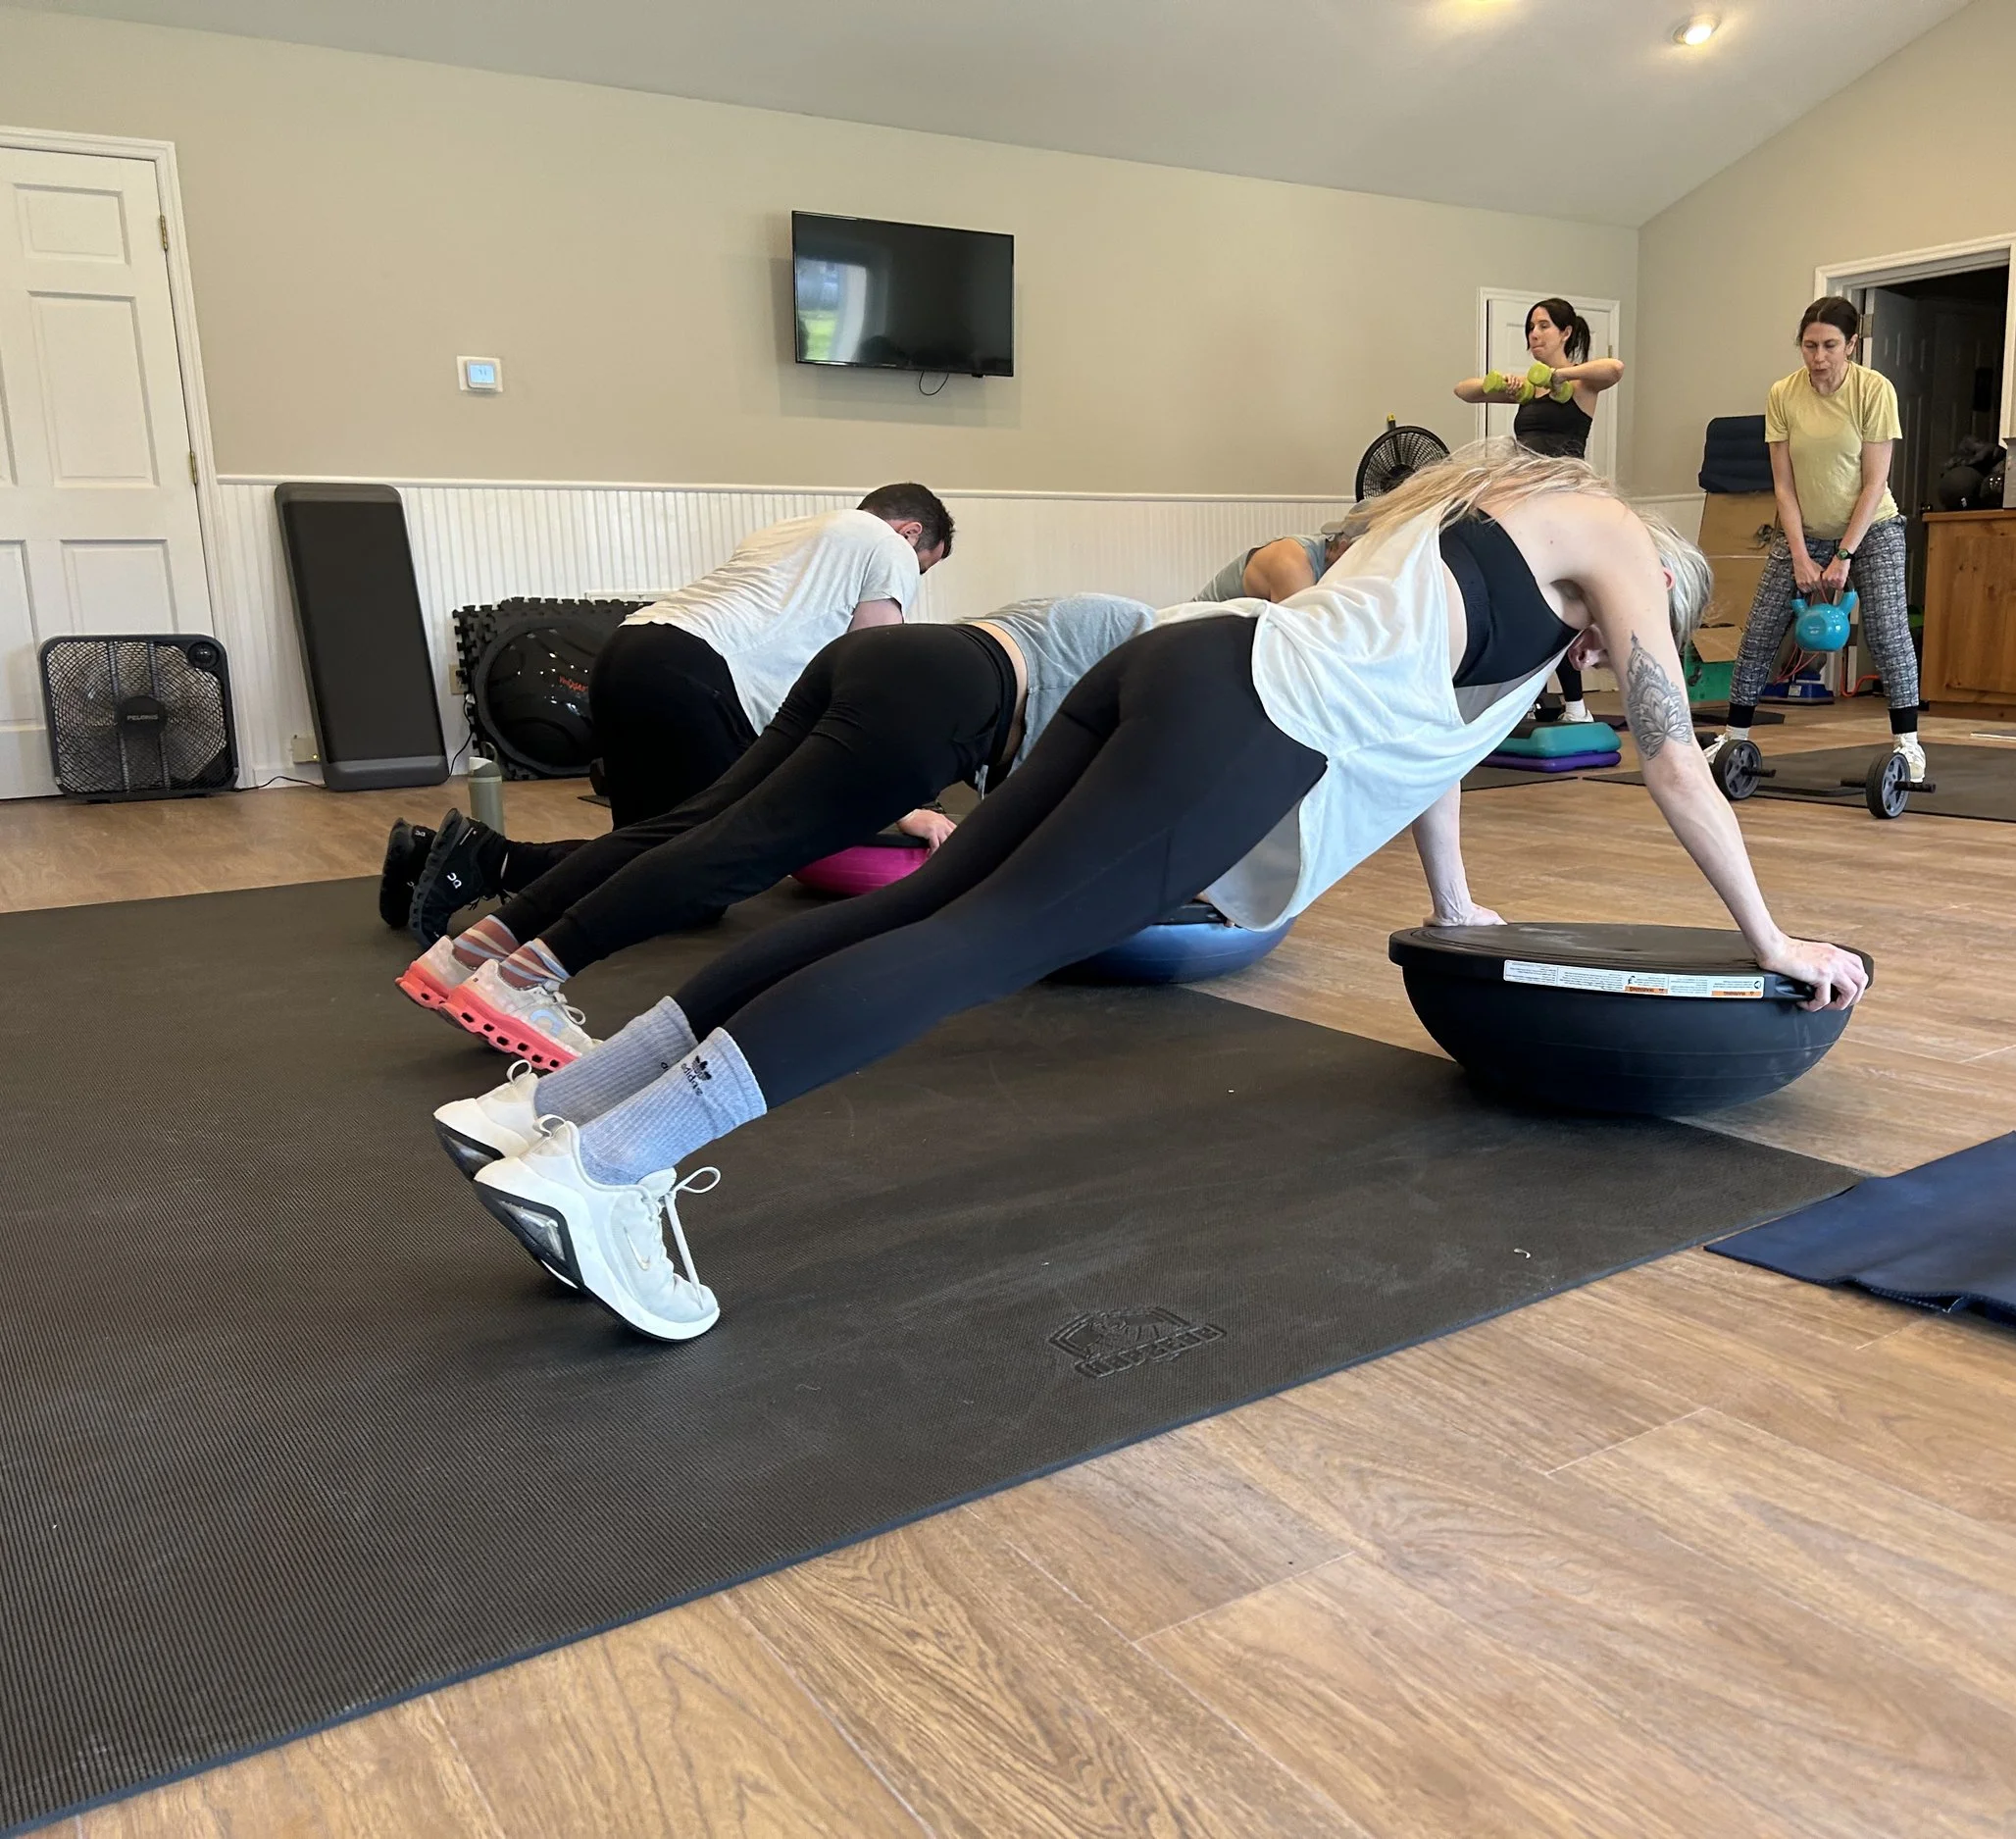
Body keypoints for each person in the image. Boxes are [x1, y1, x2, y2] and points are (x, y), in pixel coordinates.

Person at [436, 440, 1868, 1343]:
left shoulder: (1484, 502)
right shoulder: (1620, 543)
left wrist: (1459, 897)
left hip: (1178, 658)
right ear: (1653, 586)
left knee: (908, 910)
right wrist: (1771, 936)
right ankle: (604, 1169)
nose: (1599, 654)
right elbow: (1673, 762)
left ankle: (552, 1106)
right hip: (1243, 727)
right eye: (1619, 634)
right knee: (976, 947)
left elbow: (1433, 738)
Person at [402, 595, 1161, 1071]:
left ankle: (473, 952)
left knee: (692, 822)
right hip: (951, 697)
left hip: (885, 655)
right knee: (739, 852)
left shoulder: (1124, 620)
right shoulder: (1175, 660)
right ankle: (525, 979)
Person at [382, 484, 955, 942]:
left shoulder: (793, 531)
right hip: (692, 672)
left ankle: (429, 855)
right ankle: (484, 858)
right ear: (910, 532)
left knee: (649, 848)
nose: (914, 576)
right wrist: (907, 807)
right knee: (692, 873)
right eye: (923, 566)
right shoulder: (887, 546)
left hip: (629, 650)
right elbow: (871, 677)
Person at [1706, 297, 1922, 782]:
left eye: (1829, 346)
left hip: (1872, 528)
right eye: (1809, 346)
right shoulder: (1784, 394)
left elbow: (1875, 483)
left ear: (1851, 344)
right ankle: (1733, 736)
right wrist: (1801, 555)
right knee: (1760, 630)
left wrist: (1844, 554)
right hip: (1804, 531)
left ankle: (1908, 745)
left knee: (1887, 632)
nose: (1818, 357)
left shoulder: (1873, 390)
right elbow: (1783, 485)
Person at [1454, 299, 1625, 722]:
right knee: (1531, 599)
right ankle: (1527, 699)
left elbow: (1615, 368)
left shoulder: (1580, 385)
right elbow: (1464, 391)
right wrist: (1506, 383)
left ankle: (1576, 706)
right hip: (1526, 499)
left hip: (1565, 498)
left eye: (1544, 326)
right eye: (1531, 327)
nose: (1535, 334)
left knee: (1563, 601)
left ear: (1566, 333)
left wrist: (1558, 375)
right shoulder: (1528, 392)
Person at [1194, 528, 1353, 602]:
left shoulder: (1333, 563)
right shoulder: (1293, 563)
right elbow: (1295, 638)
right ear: (1343, 547)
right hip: (1197, 634)